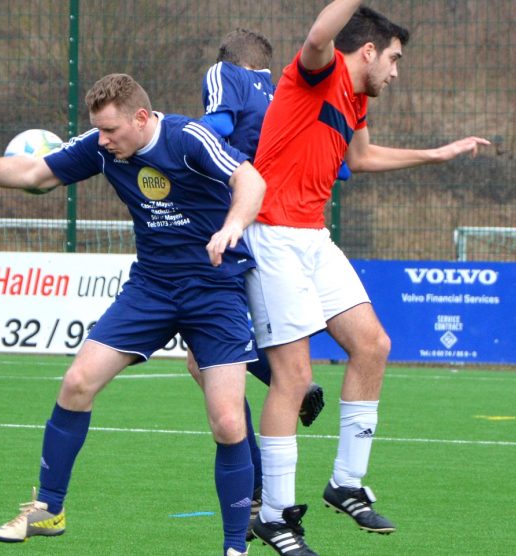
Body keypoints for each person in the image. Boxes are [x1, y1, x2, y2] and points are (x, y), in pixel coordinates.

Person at [0, 73, 267, 556]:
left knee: (227, 422)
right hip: (151, 288)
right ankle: (48, 509)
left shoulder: (186, 137)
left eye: (111, 129)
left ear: (140, 117)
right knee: (77, 382)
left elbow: (250, 178)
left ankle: (235, 546)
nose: (103, 139)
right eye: (98, 130)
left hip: (213, 288)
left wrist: (233, 225)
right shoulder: (100, 146)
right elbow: (36, 175)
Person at [244, 3, 492, 554]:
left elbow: (362, 157)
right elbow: (317, 32)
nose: (397, 72)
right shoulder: (319, 69)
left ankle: (345, 484)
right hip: (272, 235)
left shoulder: (355, 100)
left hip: (312, 237)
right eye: (395, 59)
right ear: (369, 50)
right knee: (293, 376)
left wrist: (437, 154)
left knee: (373, 345)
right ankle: (275, 515)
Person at [194, 28, 327, 533]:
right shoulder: (291, 94)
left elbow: (214, 128)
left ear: (231, 61)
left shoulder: (227, 76)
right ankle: (291, 386)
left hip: (231, 226)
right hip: (287, 230)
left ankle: (253, 487)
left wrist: (174, 140)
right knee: (212, 357)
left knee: (205, 361)